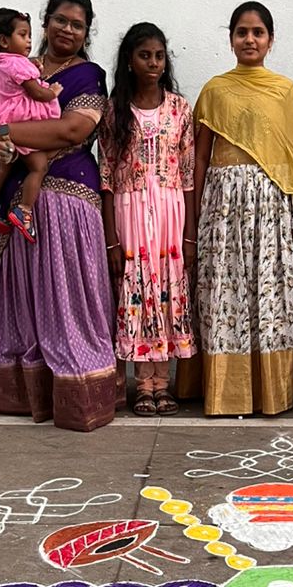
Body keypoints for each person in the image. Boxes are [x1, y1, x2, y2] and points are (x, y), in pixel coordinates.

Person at [0, 0, 120, 432]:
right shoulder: (18, 68)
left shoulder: (89, 76)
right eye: (60, 20)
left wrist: (6, 132)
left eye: (77, 25)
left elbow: (71, 131)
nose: (67, 30)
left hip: (69, 199)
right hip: (20, 198)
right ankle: (25, 396)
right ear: (45, 22)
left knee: (68, 296)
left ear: (86, 33)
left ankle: (78, 394)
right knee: (27, 297)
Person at [192, 2, 293, 416]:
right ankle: (226, 391)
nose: (249, 39)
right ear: (230, 39)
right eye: (241, 32)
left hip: (271, 207)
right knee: (225, 291)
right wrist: (196, 214)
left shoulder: (286, 92)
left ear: (270, 40)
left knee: (269, 292)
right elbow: (201, 156)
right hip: (223, 207)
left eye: (258, 32)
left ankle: (273, 391)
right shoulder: (214, 90)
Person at [98, 24, 197, 417]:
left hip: (171, 210)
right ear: (129, 61)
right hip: (131, 211)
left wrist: (190, 234)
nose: (153, 63)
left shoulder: (179, 109)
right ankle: (143, 384)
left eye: (159, 56)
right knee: (138, 288)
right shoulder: (114, 111)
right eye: (144, 55)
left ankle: (163, 382)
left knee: (168, 289)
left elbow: (188, 176)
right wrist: (110, 238)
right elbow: (106, 177)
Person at [0, 7, 62, 241]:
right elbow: (35, 92)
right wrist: (52, 92)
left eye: (29, 35)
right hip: (22, 119)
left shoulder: (2, 62)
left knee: (3, 167)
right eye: (22, 35)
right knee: (39, 167)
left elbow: (13, 82)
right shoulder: (19, 65)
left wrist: (34, 69)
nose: (29, 40)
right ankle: (24, 210)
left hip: (4, 117)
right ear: (4, 40)